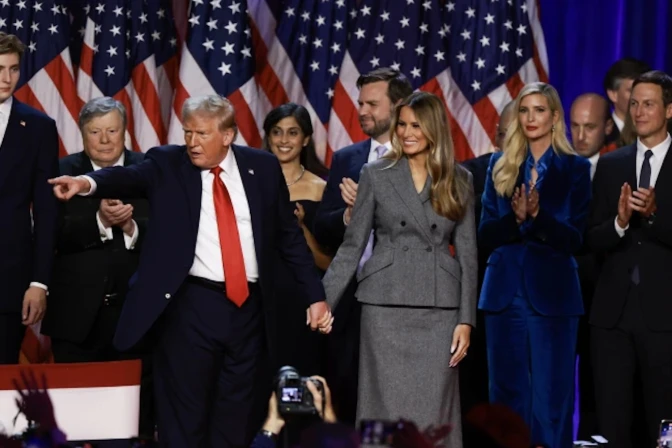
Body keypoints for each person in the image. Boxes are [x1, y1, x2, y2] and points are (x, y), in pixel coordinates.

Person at [48, 94, 333, 447]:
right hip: (191, 306)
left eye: (201, 134)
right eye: (187, 133)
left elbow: (290, 239)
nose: (192, 143)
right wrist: (86, 184)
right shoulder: (168, 163)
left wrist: (315, 297)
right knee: (186, 413)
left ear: (227, 135)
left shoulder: (262, 168)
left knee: (237, 412)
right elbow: (127, 176)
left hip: (250, 310)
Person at [322, 91, 477, 447]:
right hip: (384, 306)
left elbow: (468, 256)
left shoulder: (460, 180)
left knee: (434, 412)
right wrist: (324, 300)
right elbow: (352, 246)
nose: (406, 132)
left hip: (439, 311)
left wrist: (466, 321)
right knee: (383, 409)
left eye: (415, 126)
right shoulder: (375, 175)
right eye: (402, 124)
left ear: (434, 129)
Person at [479, 82, 591, 448]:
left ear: (555, 117)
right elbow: (484, 235)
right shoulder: (500, 164)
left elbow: (575, 239)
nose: (530, 118)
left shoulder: (575, 168)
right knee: (506, 398)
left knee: (551, 400)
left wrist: (539, 217)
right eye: (524, 111)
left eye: (539, 110)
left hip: (554, 296)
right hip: (503, 295)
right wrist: (515, 220)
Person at [40, 97, 154, 437]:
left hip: (138, 318)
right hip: (76, 321)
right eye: (95, 131)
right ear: (82, 133)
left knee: (135, 422)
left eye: (112, 130)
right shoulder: (60, 170)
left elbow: (172, 234)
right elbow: (49, 235)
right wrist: (100, 222)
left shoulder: (148, 169)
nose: (105, 140)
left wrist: (132, 228)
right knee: (77, 424)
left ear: (125, 131)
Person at [314, 67, 413, 424]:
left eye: (372, 103)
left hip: (404, 298)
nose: (362, 110)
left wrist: (377, 209)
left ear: (400, 105)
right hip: (353, 299)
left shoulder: (421, 158)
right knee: (346, 388)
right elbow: (322, 226)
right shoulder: (347, 158)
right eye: (360, 103)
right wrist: (349, 216)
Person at [588, 70, 672, 448]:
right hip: (613, 317)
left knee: (665, 425)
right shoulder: (611, 165)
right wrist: (620, 223)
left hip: (665, 316)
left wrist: (653, 216)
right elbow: (590, 238)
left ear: (669, 110)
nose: (638, 111)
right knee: (612, 424)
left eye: (649, 104)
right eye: (634, 103)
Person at [0, 32, 59, 364]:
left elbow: (47, 211)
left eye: (13, 69)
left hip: (8, 282)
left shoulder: (38, 127)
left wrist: (39, 282)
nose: (6, 79)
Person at [262, 103, 332, 377]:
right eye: (277, 132)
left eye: (292, 133)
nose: (283, 140)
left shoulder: (321, 188)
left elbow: (328, 264)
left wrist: (300, 228)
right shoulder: (249, 183)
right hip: (258, 299)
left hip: (303, 301)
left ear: (305, 139)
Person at [603, 58, 651, 144]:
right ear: (613, 94)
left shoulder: (662, 134)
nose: (640, 97)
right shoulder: (602, 137)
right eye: (632, 90)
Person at [570, 93, 617, 178]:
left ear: (608, 127)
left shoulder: (621, 168)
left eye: (589, 127)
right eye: (575, 126)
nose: (580, 137)